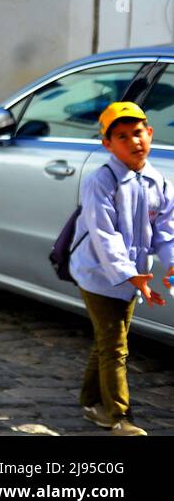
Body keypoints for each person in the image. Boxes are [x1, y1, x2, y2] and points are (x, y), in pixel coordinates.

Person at [70, 101, 174, 436]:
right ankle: (116, 417)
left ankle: (89, 400)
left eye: (138, 133)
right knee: (116, 345)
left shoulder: (157, 181)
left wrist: (171, 262)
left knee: (109, 340)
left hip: (133, 278)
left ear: (150, 133)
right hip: (99, 275)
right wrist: (128, 273)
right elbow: (104, 235)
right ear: (108, 144)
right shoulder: (101, 181)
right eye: (122, 136)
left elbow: (166, 230)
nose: (133, 141)